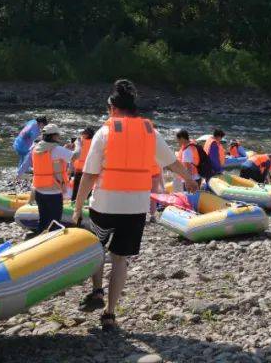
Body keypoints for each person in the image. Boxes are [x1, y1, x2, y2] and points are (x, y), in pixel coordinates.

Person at [72, 79, 197, 332]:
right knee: (120, 259)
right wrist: (189, 179)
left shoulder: (105, 132)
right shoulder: (151, 132)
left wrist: (77, 207)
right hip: (135, 207)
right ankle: (109, 313)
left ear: (112, 108)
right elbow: (172, 162)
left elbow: (89, 174)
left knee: (97, 249)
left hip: (105, 205)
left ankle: (97, 291)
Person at [29, 123, 73, 234]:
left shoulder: (36, 148)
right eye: (58, 135)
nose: (58, 137)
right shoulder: (57, 149)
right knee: (55, 222)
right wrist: (78, 146)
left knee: (43, 219)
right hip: (54, 191)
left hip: (39, 190)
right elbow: (74, 157)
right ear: (54, 136)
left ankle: (40, 238)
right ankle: (52, 240)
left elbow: (50, 158)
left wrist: (64, 149)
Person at [70, 126, 97, 201]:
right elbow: (73, 148)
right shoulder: (91, 141)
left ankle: (85, 200)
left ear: (89, 134)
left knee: (87, 187)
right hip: (80, 168)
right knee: (77, 186)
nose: (82, 134)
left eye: (84, 133)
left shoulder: (81, 140)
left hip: (87, 168)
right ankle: (74, 200)